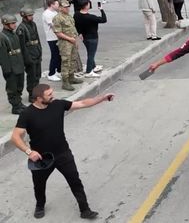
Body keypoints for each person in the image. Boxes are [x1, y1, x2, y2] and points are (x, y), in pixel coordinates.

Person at [11, 83, 114, 220]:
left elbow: (82, 103)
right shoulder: (27, 114)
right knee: (39, 185)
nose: (53, 96)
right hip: (42, 158)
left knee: (75, 181)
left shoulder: (58, 104)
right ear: (38, 99)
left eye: (52, 93)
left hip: (63, 153)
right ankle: (40, 205)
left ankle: (85, 209)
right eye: (49, 95)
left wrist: (102, 98)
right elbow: (15, 137)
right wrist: (29, 152)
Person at [52, 0, 84, 91]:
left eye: (68, 7)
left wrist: (76, 41)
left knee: (73, 59)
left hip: (72, 41)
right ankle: (65, 82)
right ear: (60, 8)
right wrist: (70, 39)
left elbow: (73, 30)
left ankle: (71, 77)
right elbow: (58, 33)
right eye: (65, 7)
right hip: (65, 43)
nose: (67, 8)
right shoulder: (57, 18)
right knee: (66, 61)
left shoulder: (69, 16)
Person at [1, 14, 27, 114]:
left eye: (14, 23)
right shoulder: (2, 37)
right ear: (6, 24)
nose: (14, 25)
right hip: (11, 67)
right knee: (12, 88)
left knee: (20, 85)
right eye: (12, 23)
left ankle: (19, 103)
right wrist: (7, 70)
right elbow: (3, 56)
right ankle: (15, 106)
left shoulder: (14, 34)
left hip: (18, 64)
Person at [74, 0, 107, 78]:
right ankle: (89, 71)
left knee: (89, 52)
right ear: (86, 6)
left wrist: (79, 33)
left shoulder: (76, 15)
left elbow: (75, 25)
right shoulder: (91, 17)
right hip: (93, 37)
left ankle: (93, 66)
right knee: (91, 54)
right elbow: (104, 19)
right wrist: (101, 9)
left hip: (84, 37)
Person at [16, 8, 42, 102]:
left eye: (32, 15)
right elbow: (22, 46)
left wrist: (40, 52)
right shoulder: (21, 29)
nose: (32, 17)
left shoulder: (33, 24)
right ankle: (32, 94)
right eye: (29, 15)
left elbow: (38, 39)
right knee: (32, 77)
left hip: (36, 53)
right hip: (29, 55)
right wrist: (27, 59)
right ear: (24, 17)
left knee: (37, 75)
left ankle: (37, 93)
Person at [42, 0, 62, 82]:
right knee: (54, 56)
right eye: (57, 4)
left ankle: (58, 70)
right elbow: (54, 25)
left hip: (57, 37)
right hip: (52, 38)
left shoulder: (55, 12)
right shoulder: (47, 14)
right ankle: (51, 73)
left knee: (59, 55)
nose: (58, 5)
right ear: (51, 4)